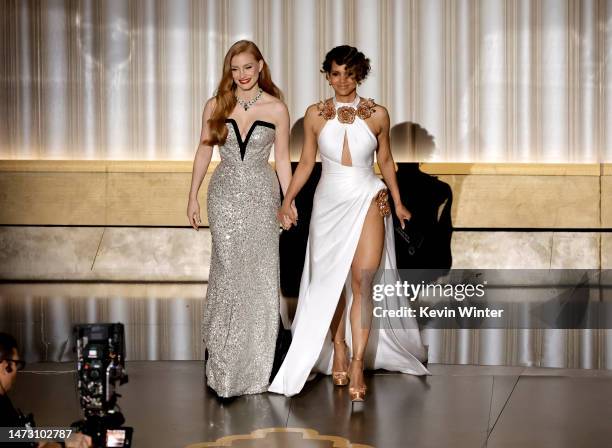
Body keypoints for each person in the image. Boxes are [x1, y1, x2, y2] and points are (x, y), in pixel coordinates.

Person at [269, 45, 430, 401]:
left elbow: (386, 161)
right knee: (330, 283)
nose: (342, 80)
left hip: (368, 196)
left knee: (362, 280)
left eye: (349, 73)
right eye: (335, 73)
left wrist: (399, 202)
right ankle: (338, 346)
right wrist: (288, 198)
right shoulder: (314, 115)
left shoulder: (377, 115)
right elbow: (307, 162)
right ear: (327, 75)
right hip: (329, 202)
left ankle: (357, 364)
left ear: (360, 75)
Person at [187, 40, 294, 397]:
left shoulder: (277, 108)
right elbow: (204, 151)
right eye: (235, 69)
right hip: (225, 197)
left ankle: (255, 366)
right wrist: (192, 196)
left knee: (260, 277)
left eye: (248, 67)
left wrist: (289, 201)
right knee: (229, 275)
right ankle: (225, 363)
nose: (242, 75)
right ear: (228, 71)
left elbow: (282, 160)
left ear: (260, 66)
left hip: (263, 197)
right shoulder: (216, 105)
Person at [0, 333, 92, 448]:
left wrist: (64, 437)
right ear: (5, 366)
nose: (16, 371)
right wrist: (66, 444)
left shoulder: (4, 401)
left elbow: (14, 436)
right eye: (17, 364)